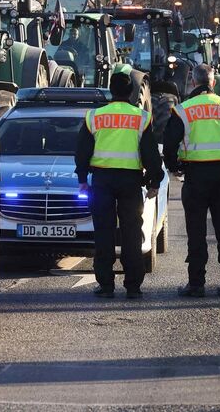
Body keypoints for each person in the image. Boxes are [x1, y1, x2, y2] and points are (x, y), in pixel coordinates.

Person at [162, 64, 220, 297]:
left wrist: (176, 169)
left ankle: (196, 284)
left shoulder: (183, 110)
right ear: (214, 83)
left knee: (196, 231)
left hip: (195, 176)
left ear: (193, 82)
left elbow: (170, 145)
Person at [75, 70, 164, 299]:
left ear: (111, 91)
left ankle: (106, 285)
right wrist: (155, 180)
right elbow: (150, 153)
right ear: (131, 92)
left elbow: (82, 152)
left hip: (102, 181)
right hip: (130, 182)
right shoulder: (141, 118)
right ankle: (133, 286)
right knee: (131, 234)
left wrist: (82, 180)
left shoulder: (94, 116)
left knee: (103, 234)